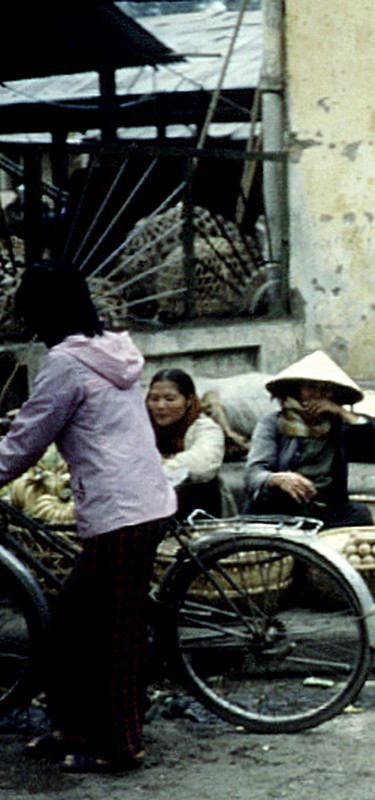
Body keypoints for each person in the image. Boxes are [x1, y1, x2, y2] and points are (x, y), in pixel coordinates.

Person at [0, 259, 176, 773]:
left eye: (25, 304)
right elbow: (59, 416)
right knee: (74, 621)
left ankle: (121, 745)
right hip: (142, 501)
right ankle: (74, 726)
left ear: (42, 310)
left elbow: (25, 445)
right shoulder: (109, 350)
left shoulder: (66, 363)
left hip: (122, 511)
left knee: (114, 632)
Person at [243, 350, 375, 529]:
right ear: (297, 389)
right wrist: (279, 479)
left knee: (361, 515)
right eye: (311, 387)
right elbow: (253, 474)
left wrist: (342, 413)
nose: (318, 395)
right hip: (284, 508)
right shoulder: (272, 424)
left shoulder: (338, 425)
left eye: (325, 389)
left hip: (326, 508)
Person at [146, 368, 229, 519]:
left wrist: (159, 467)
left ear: (189, 400)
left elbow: (203, 464)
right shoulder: (141, 428)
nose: (160, 406)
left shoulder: (205, 428)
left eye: (170, 399)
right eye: (154, 399)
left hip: (195, 508)